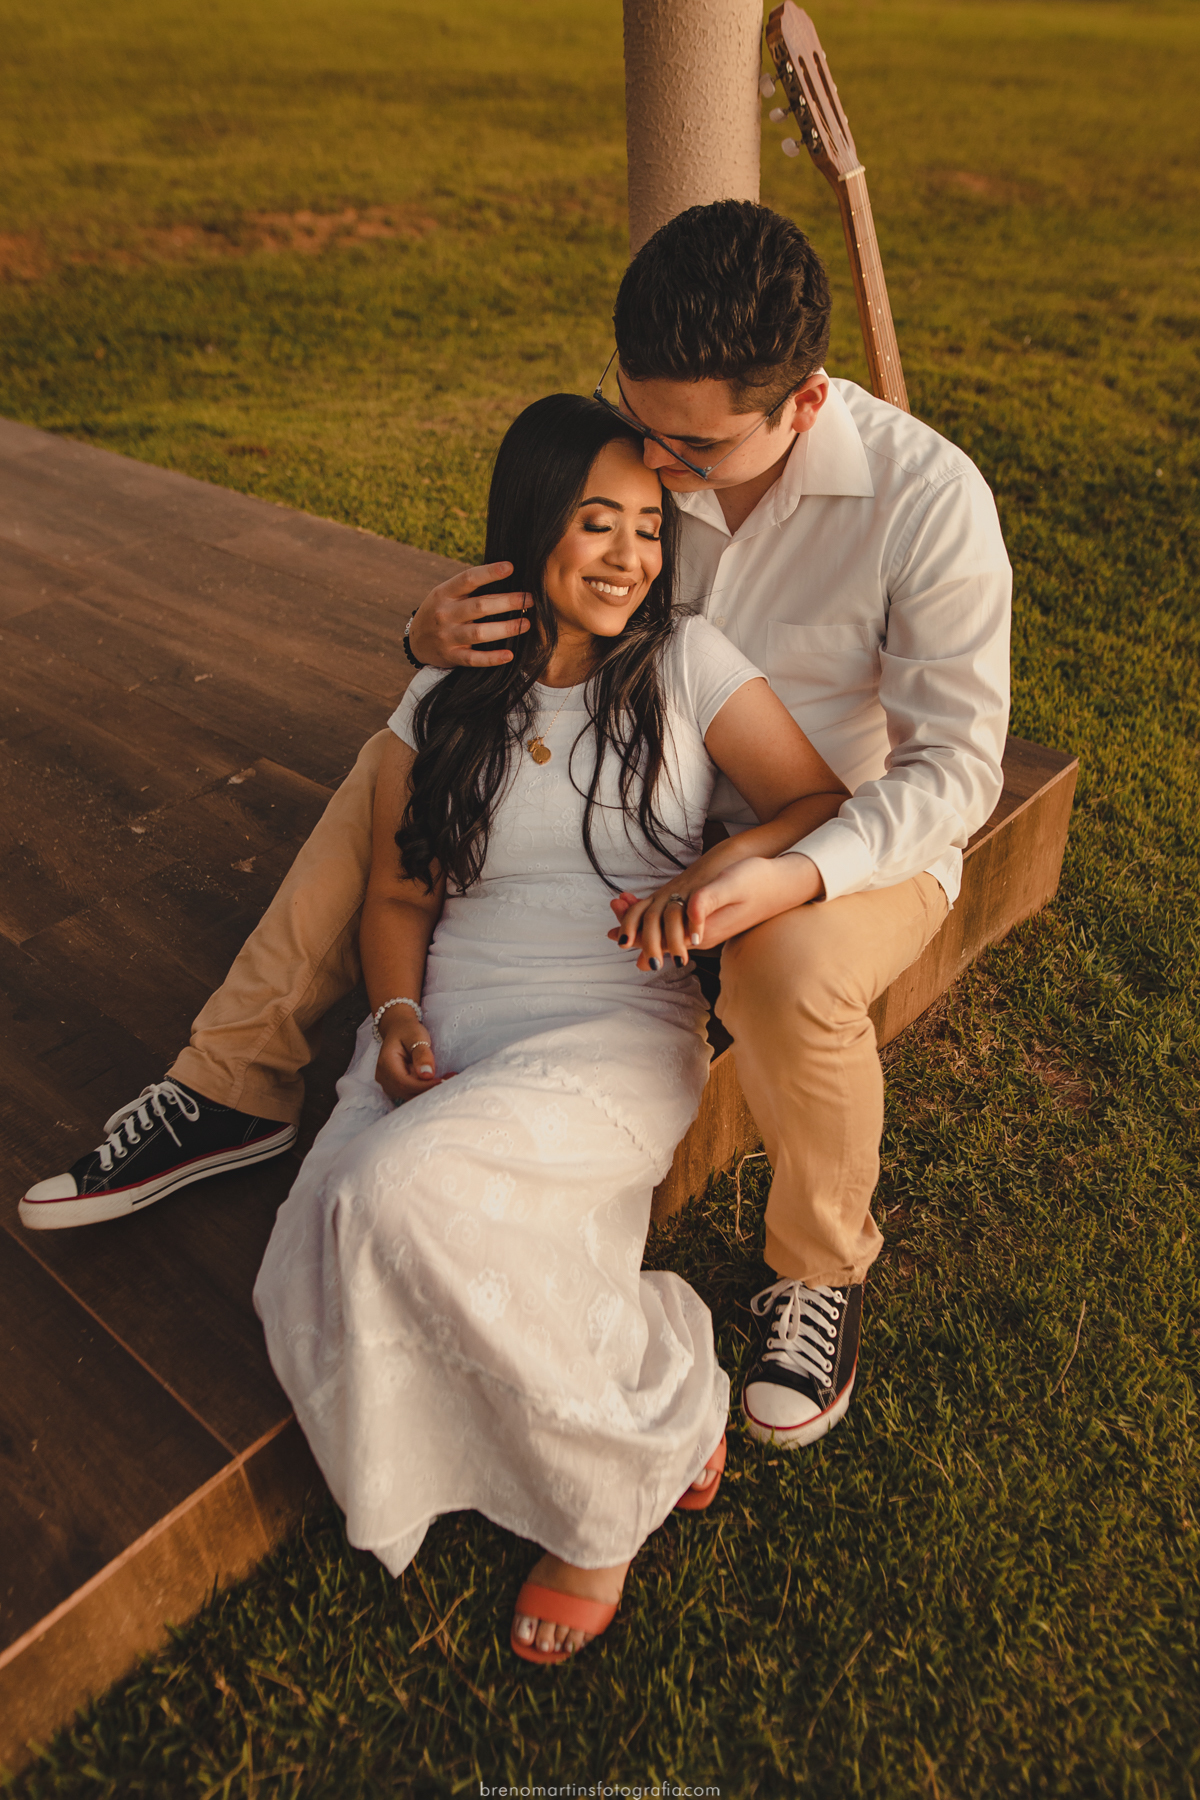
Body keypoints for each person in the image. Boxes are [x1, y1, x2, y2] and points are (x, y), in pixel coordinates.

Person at [21, 200, 1011, 1462]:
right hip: (625, 799)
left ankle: (817, 1270)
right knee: (397, 758)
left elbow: (954, 772)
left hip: (838, 831)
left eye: (691, 448)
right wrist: (422, 642)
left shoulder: (929, 504)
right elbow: (531, 609)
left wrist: (784, 873)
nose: (656, 463)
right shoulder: (655, 447)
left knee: (787, 965)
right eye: (639, 420)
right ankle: (229, 1084)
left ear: (803, 405)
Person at [253, 394, 848, 1660]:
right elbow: (400, 893)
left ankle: (611, 1486)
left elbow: (814, 798)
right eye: (597, 522)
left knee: (396, 1205)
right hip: (455, 1021)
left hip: (611, 1032)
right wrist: (399, 1007)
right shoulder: (446, 695)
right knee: (314, 1249)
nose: (632, 555)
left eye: (649, 526)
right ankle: (646, 1355)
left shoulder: (690, 664)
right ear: (533, 529)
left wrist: (711, 873)